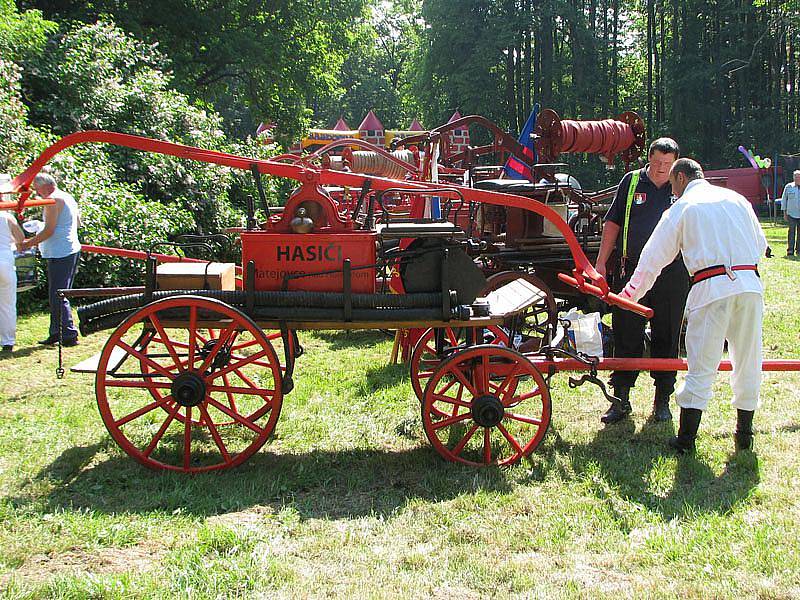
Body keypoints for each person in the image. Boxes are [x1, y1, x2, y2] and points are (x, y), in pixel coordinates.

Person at [619, 158, 767, 453]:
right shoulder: (737, 200)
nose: (673, 191)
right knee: (749, 360)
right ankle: (744, 435)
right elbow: (761, 245)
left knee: (702, 364)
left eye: (674, 185)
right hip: (750, 287)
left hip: (711, 289)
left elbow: (652, 258)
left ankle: (685, 441)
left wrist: (629, 296)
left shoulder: (682, 208)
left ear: (682, 178)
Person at [594, 137, 689, 424]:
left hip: (672, 273)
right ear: (648, 159)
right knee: (626, 333)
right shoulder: (631, 182)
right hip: (631, 271)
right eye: (657, 163)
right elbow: (613, 223)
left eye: (667, 164)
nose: (661, 170)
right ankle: (620, 399)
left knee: (667, 334)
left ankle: (662, 400)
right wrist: (599, 263)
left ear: (676, 164)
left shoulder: (684, 189)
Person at [20, 173, 81, 346]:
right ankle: (56, 332)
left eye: (37, 190)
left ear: (46, 186)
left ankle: (68, 334)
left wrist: (28, 243)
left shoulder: (52, 200)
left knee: (59, 294)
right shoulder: (67, 197)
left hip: (60, 252)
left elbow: (49, 231)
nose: (37, 194)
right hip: (70, 248)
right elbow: (77, 222)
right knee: (58, 293)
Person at [0, 211, 25, 354]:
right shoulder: (6, 216)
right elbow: (20, 238)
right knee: (7, 305)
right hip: (4, 260)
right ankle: (8, 341)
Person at [781, 169, 800, 256]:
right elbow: (784, 200)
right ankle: (790, 250)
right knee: (791, 232)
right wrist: (784, 213)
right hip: (791, 214)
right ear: (793, 177)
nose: (797, 179)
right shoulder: (788, 187)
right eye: (796, 177)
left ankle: (798, 250)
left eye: (799, 177)